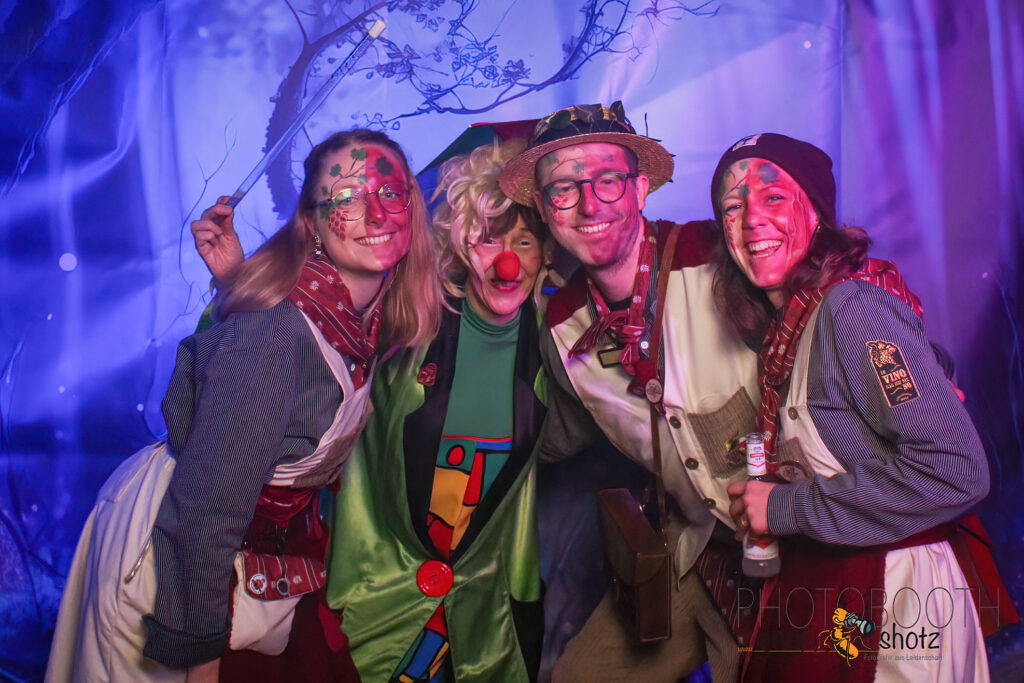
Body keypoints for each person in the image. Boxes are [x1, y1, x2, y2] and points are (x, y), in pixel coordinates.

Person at [46, 129, 442, 682]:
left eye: (390, 193)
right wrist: (201, 669)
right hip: (176, 548)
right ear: (313, 225)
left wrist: (238, 280)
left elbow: (285, 401)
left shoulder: (360, 318)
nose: (375, 214)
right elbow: (204, 517)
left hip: (246, 550)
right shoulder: (272, 340)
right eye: (347, 198)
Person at [712, 132, 991, 681]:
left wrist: (784, 508)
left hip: (902, 597)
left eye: (773, 197)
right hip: (844, 588)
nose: (751, 219)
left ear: (817, 212)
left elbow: (957, 469)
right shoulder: (787, 331)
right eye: (732, 206)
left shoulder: (851, 308)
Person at [499, 102, 757, 681]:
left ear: (640, 188)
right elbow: (551, 438)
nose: (589, 205)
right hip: (698, 548)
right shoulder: (561, 326)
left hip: (800, 542)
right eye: (564, 188)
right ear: (544, 209)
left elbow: (828, 310)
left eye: (608, 180)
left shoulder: (721, 255)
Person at [323, 139, 550, 682]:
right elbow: (318, 330)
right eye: (488, 239)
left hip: (484, 615)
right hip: (383, 595)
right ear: (461, 240)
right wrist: (234, 286)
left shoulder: (555, 344)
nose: (507, 262)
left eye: (524, 242)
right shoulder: (410, 320)